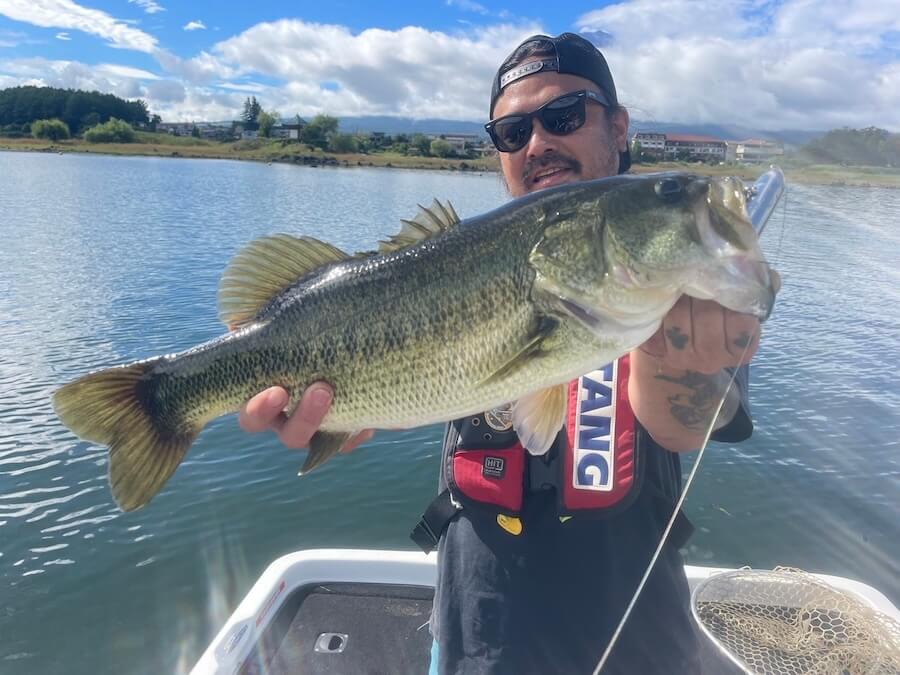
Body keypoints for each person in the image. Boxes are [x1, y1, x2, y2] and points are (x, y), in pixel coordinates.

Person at [239, 32, 766, 674]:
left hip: (636, 644)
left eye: (565, 116)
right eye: (512, 132)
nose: (538, 142)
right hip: (476, 639)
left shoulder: (690, 292)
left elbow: (685, 426)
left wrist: (677, 352)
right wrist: (345, 412)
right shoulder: (470, 262)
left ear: (619, 128)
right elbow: (406, 381)